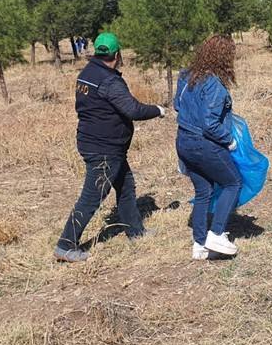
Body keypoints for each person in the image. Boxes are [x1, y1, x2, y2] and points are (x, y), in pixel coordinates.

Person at [54, 32, 166, 263]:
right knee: (91, 197)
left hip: (96, 142)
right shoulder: (109, 81)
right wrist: (158, 109)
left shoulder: (87, 74)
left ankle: (135, 231)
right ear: (117, 54)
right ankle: (66, 244)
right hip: (104, 149)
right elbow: (133, 110)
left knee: (126, 186)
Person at [174, 34, 242, 260]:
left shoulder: (186, 75)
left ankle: (199, 244)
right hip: (204, 144)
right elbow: (209, 123)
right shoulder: (214, 83)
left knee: (203, 191)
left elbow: (177, 106)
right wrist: (229, 140)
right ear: (224, 57)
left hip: (183, 141)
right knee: (233, 182)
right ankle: (217, 233)